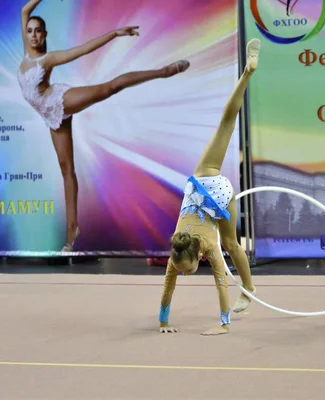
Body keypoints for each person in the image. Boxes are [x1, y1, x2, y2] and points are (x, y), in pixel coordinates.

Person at [18, 0, 190, 251]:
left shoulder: (48, 59)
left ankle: (164, 71)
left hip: (58, 102)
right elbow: (25, 10)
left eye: (37, 31)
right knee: (67, 170)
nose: (33, 34)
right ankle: (72, 230)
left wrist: (113, 34)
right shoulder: (26, 52)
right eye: (29, 30)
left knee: (109, 88)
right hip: (49, 116)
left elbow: (83, 49)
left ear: (44, 35)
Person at [157, 38, 261, 336]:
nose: (185, 274)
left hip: (216, 192)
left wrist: (223, 326)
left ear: (194, 257)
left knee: (229, 245)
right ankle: (250, 287)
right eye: (186, 270)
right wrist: (162, 323)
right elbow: (172, 285)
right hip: (209, 184)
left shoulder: (207, 252)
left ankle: (247, 72)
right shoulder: (179, 251)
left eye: (187, 270)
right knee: (226, 124)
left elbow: (213, 286)